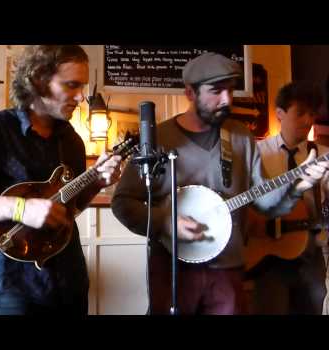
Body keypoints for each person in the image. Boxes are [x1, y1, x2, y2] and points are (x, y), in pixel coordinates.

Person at [111, 52, 329, 315]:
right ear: (190, 93)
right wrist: (166, 222)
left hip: (228, 270)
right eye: (216, 91)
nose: (227, 100)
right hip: (173, 269)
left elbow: (264, 203)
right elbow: (122, 202)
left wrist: (298, 186)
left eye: (230, 90)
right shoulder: (159, 138)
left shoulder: (239, 136)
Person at [0, 45, 122, 315]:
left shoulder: (72, 141)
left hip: (70, 281)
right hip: (14, 285)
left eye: (82, 86)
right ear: (39, 80)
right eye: (72, 85)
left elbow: (68, 209)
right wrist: (19, 208)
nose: (81, 97)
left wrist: (97, 182)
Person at [250, 82, 328, 314]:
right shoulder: (259, 154)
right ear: (280, 114)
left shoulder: (323, 156)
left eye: (312, 114)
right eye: (301, 112)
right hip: (268, 256)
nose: (308, 120)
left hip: (311, 254)